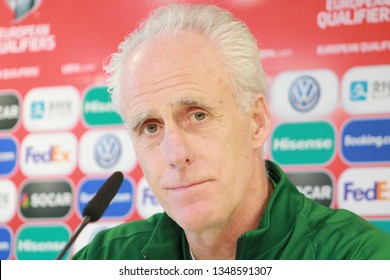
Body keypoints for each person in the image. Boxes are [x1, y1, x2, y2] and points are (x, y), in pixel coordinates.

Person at [72, 3, 390, 260]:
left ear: (257, 121)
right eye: (151, 127)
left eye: (197, 115)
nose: (175, 154)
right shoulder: (104, 258)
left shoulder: (359, 258)